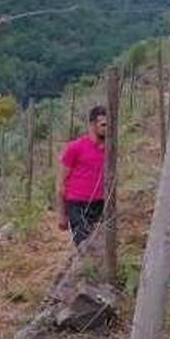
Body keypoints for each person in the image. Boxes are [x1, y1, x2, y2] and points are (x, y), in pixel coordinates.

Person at [57, 106, 107, 247]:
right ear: (92, 125)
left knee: (99, 244)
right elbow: (61, 183)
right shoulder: (75, 148)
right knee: (84, 244)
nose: (107, 128)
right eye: (103, 124)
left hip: (100, 204)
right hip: (77, 204)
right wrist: (62, 214)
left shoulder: (110, 150)